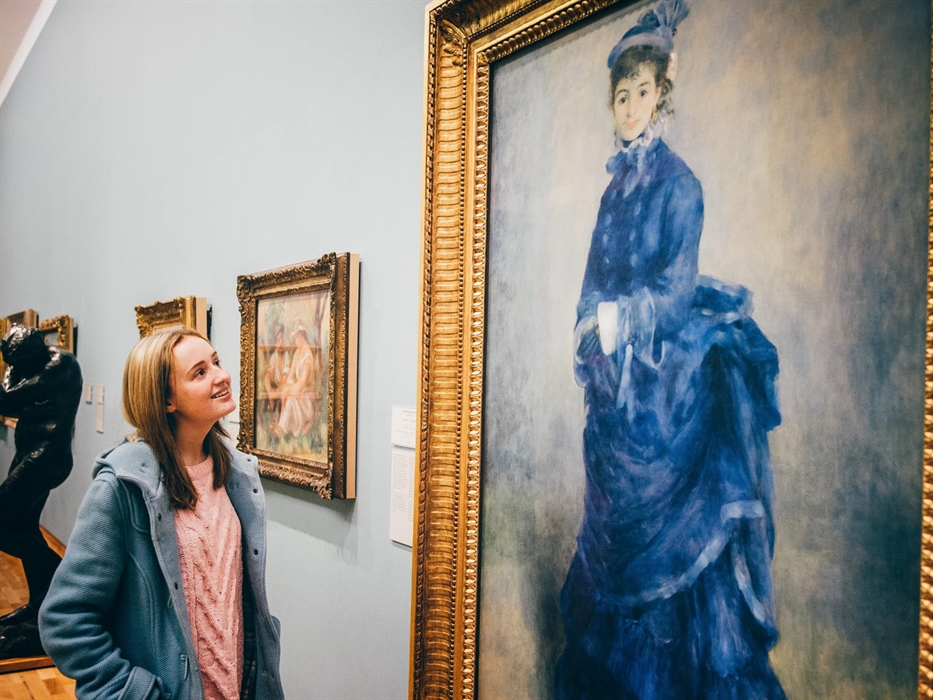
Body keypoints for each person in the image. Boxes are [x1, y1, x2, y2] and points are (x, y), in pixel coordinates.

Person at [556, 1, 786, 697]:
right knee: (611, 525)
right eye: (620, 95)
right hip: (615, 383)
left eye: (642, 92)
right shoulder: (611, 192)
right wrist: (585, 330)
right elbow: (592, 280)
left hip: (664, 379)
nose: (630, 106)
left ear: (662, 97)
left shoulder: (679, 186)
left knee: (669, 540)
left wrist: (619, 324)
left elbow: (675, 288)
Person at [39, 329, 284, 700]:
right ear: (167, 400)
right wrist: (135, 692)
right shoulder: (121, 489)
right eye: (199, 372)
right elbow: (65, 620)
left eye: (215, 362)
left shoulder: (235, 475)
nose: (221, 375)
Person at [0, 325, 82, 658]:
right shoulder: (27, 361)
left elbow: (6, 398)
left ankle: (62, 577)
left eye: (19, 360)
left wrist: (10, 370)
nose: (14, 366)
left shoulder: (59, 365)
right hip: (28, 452)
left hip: (46, 457)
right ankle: (40, 606)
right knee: (23, 528)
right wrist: (12, 367)